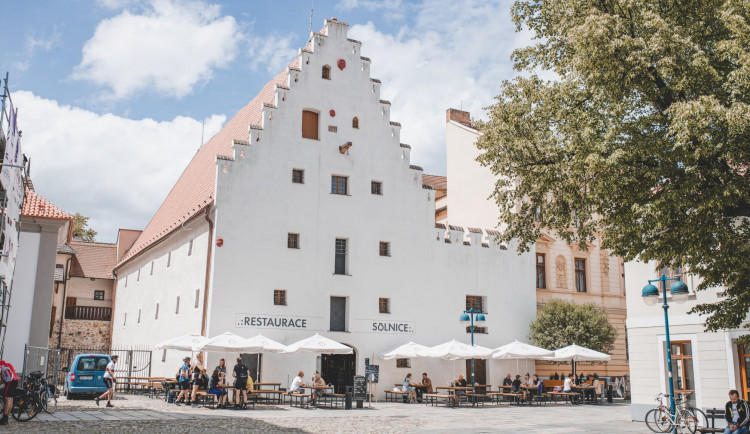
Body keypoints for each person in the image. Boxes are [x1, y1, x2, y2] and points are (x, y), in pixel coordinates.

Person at [0, 361, 19, 425]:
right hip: (14, 381)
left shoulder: (1, 365)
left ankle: (4, 419)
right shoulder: (6, 365)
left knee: (7, 400)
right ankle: (6, 419)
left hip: (10, 382)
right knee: (10, 399)